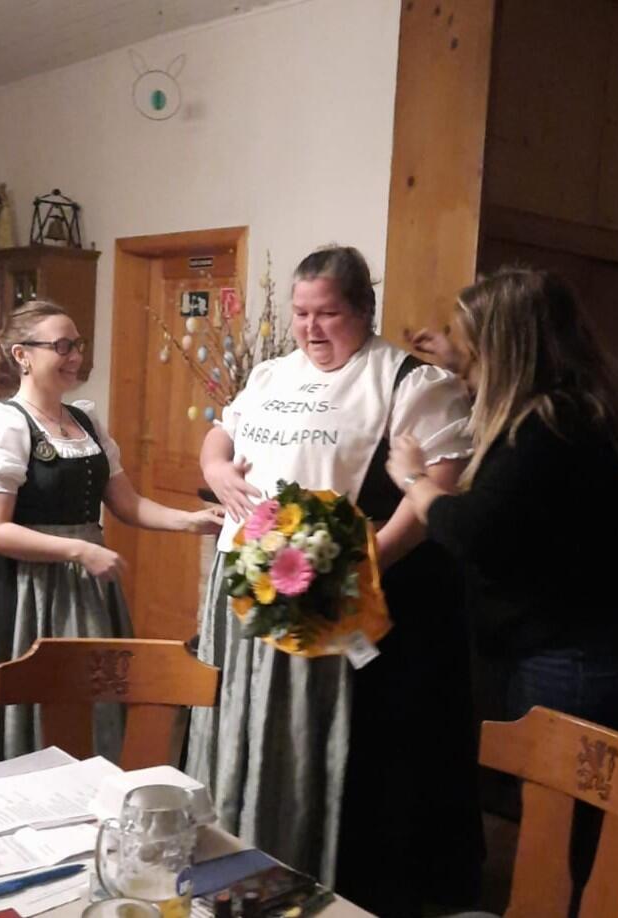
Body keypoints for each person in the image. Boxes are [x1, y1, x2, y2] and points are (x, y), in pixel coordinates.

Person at [186, 246, 484, 917]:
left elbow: (433, 491)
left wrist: (356, 570)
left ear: (363, 310)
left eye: (328, 314)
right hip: (248, 585)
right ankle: (230, 852)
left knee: (311, 743)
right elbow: (221, 434)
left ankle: (300, 869)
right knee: (239, 729)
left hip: (335, 597)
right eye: (300, 314)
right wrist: (217, 470)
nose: (311, 328)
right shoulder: (270, 373)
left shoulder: (411, 381)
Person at [388, 267, 618, 915]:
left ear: (507, 346)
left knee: (567, 843)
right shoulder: (578, 406)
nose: (467, 361)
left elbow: (473, 530)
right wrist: (452, 362)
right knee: (574, 834)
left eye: (474, 347)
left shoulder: (546, 427)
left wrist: (414, 481)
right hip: (577, 650)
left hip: (570, 661)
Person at [0, 301, 223, 773]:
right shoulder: (2, 423)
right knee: (27, 709)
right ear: (22, 355)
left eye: (78, 344)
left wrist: (190, 521)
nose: (75, 356)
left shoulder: (85, 422)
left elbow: (128, 504)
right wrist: (79, 550)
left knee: (93, 709)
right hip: (22, 594)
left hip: (87, 592)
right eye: (62, 346)